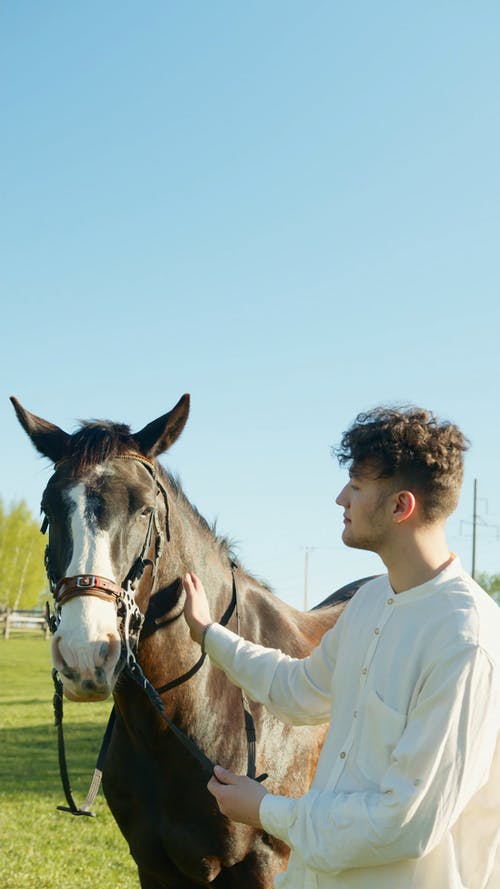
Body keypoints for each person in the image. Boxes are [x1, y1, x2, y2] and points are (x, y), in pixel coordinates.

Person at [182, 406, 500, 889]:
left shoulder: (466, 639)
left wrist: (266, 810)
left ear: (400, 507)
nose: (339, 498)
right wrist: (209, 633)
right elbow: (299, 689)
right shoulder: (372, 600)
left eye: (355, 485)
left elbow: (405, 821)